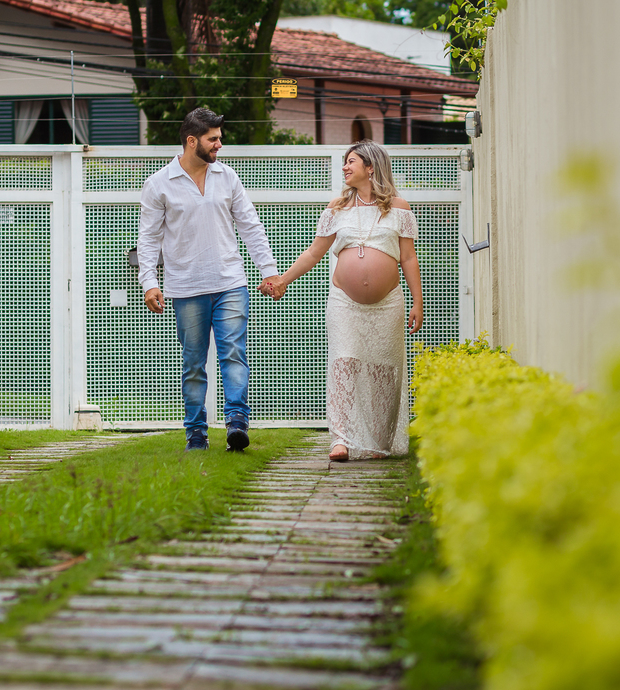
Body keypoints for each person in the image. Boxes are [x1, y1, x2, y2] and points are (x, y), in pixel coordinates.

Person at [259, 140, 422, 461]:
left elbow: (408, 258)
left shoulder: (399, 208)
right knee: (344, 362)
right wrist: (282, 280)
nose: (345, 168)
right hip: (344, 303)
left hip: (388, 304)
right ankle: (341, 439)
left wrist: (418, 303)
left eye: (351, 162)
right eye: (345, 163)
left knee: (383, 370)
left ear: (371, 167)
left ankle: (377, 441)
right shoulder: (337, 208)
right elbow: (314, 252)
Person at [138, 107, 279, 452]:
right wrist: (149, 282)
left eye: (220, 137)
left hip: (230, 281)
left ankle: (236, 423)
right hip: (186, 288)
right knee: (193, 363)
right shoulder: (159, 184)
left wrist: (269, 270)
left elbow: (250, 225)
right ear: (191, 141)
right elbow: (148, 239)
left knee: (233, 352)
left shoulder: (227, 177)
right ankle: (196, 434)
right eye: (213, 139)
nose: (220, 144)